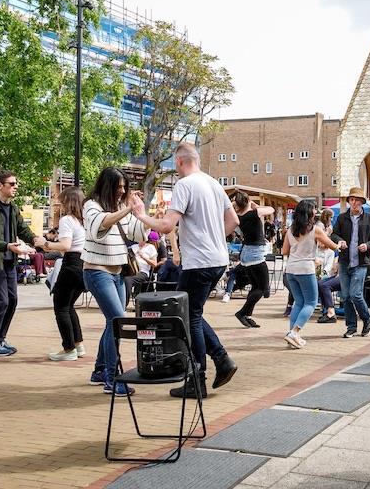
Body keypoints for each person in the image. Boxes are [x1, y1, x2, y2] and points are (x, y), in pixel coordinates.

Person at [132, 142, 239, 400]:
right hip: (217, 259)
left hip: (200, 262)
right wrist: (214, 239)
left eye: (175, 166)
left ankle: (198, 378)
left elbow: (167, 225)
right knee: (193, 313)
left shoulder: (184, 185)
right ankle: (221, 360)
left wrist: (141, 215)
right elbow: (233, 221)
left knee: (187, 317)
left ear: (180, 162)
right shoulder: (214, 184)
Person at [82, 167, 148, 396]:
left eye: (124, 187)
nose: (122, 191)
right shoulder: (91, 205)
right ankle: (112, 378)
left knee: (112, 322)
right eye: (118, 186)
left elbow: (139, 234)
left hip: (118, 273)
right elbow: (98, 225)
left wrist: (144, 215)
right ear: (107, 185)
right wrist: (128, 208)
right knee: (117, 320)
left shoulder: (122, 208)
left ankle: (100, 371)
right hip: (97, 272)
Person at [0, 170, 45, 357]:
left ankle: (0, 340)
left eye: (16, 184)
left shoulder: (13, 208)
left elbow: (23, 230)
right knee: (0, 303)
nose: (16, 187)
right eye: (12, 184)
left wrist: (37, 240)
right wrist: (7, 246)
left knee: (12, 301)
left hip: (9, 264)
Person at [282, 199, 340, 348]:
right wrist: (339, 244)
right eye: (314, 209)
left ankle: (292, 335)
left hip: (291, 270)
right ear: (309, 212)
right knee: (311, 302)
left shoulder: (291, 229)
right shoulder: (315, 230)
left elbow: (284, 251)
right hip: (305, 269)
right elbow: (333, 246)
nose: (316, 212)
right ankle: (294, 332)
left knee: (299, 302)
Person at [39, 187, 86, 362]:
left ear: (69, 202)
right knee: (69, 306)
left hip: (71, 263)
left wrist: (46, 244)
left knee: (60, 307)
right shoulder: (85, 221)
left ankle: (69, 348)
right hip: (84, 265)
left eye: (62, 200)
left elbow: (66, 246)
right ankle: (78, 344)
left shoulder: (67, 220)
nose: (60, 204)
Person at [331, 187, 370, 339]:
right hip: (345, 261)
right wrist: (339, 240)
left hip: (361, 262)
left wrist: (368, 245)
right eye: (351, 200)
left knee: (355, 294)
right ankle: (351, 327)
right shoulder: (341, 218)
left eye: (356, 200)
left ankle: (367, 318)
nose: (353, 203)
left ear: (361, 202)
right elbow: (333, 234)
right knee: (345, 296)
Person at [230, 191, 274, 328]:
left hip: (247, 253)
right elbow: (270, 210)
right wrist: (255, 206)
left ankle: (248, 315)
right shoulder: (253, 213)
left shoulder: (239, 216)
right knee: (263, 288)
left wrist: (247, 205)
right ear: (248, 200)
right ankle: (242, 313)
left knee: (256, 286)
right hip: (255, 253)